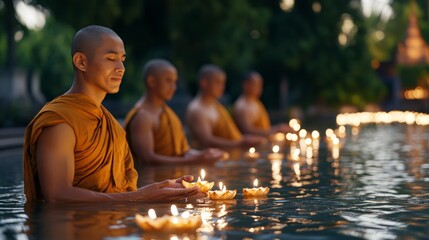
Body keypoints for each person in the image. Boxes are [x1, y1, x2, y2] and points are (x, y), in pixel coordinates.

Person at [23, 25, 201, 203]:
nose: (121, 68)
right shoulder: (60, 122)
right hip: (76, 229)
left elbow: (117, 192)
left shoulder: (112, 125)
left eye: (122, 59)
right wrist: (139, 197)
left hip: (114, 226)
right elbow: (57, 195)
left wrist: (162, 190)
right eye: (111, 58)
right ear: (81, 62)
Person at [123, 59, 226, 165]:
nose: (174, 87)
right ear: (151, 81)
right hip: (152, 179)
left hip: (175, 174)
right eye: (168, 81)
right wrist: (195, 160)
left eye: (174, 81)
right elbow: (148, 159)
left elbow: (181, 152)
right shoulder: (143, 117)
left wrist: (204, 155)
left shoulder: (166, 112)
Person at [185, 64, 263, 150]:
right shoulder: (197, 109)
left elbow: (231, 136)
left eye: (223, 83)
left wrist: (243, 139)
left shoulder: (217, 106)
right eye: (217, 82)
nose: (222, 87)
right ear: (204, 83)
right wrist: (240, 143)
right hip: (209, 159)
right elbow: (206, 141)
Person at [233, 71, 291, 137]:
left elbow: (264, 128)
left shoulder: (256, 102)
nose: (260, 88)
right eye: (256, 84)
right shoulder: (241, 106)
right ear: (246, 85)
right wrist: (276, 129)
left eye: (260, 85)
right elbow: (247, 130)